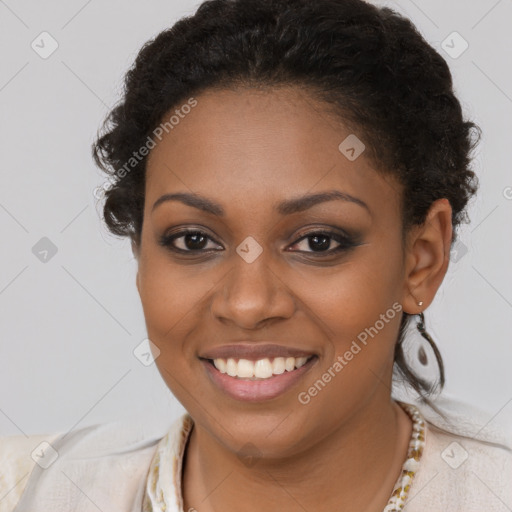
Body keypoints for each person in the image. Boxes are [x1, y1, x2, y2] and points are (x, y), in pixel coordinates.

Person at [2, 0, 511, 510]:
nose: (247, 304)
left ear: (422, 259)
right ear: (140, 255)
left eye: (318, 241)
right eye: (193, 240)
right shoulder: (29, 492)